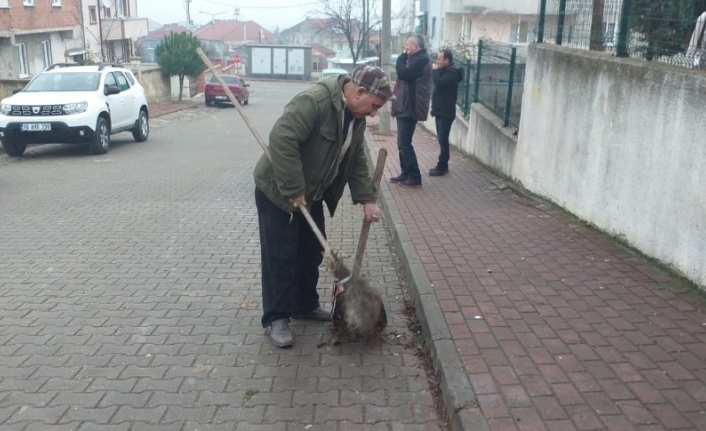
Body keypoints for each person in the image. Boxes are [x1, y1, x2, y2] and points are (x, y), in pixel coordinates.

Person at [253, 65, 394, 348]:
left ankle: (304, 305)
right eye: (374, 106)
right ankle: (277, 318)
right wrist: (293, 188)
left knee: (311, 253)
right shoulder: (314, 102)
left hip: (311, 195)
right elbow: (282, 139)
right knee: (281, 257)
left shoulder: (356, 118)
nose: (374, 113)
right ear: (360, 92)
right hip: (279, 193)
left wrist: (366, 199)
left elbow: (355, 161)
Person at [390, 34, 432, 187]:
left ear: (414, 46)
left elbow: (404, 73)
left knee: (404, 143)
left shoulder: (420, 60)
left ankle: (414, 176)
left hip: (411, 107)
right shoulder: (415, 59)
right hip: (405, 106)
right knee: (402, 143)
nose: (406, 48)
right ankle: (406, 172)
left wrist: (400, 58)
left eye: (408, 44)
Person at [429, 49, 464, 177]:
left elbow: (440, 82)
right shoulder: (445, 71)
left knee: (443, 139)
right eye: (437, 59)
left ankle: (442, 166)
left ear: (447, 60)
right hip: (440, 111)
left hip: (446, 112)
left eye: (440, 59)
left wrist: (434, 70)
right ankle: (444, 165)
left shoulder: (452, 72)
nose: (437, 62)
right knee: (441, 139)